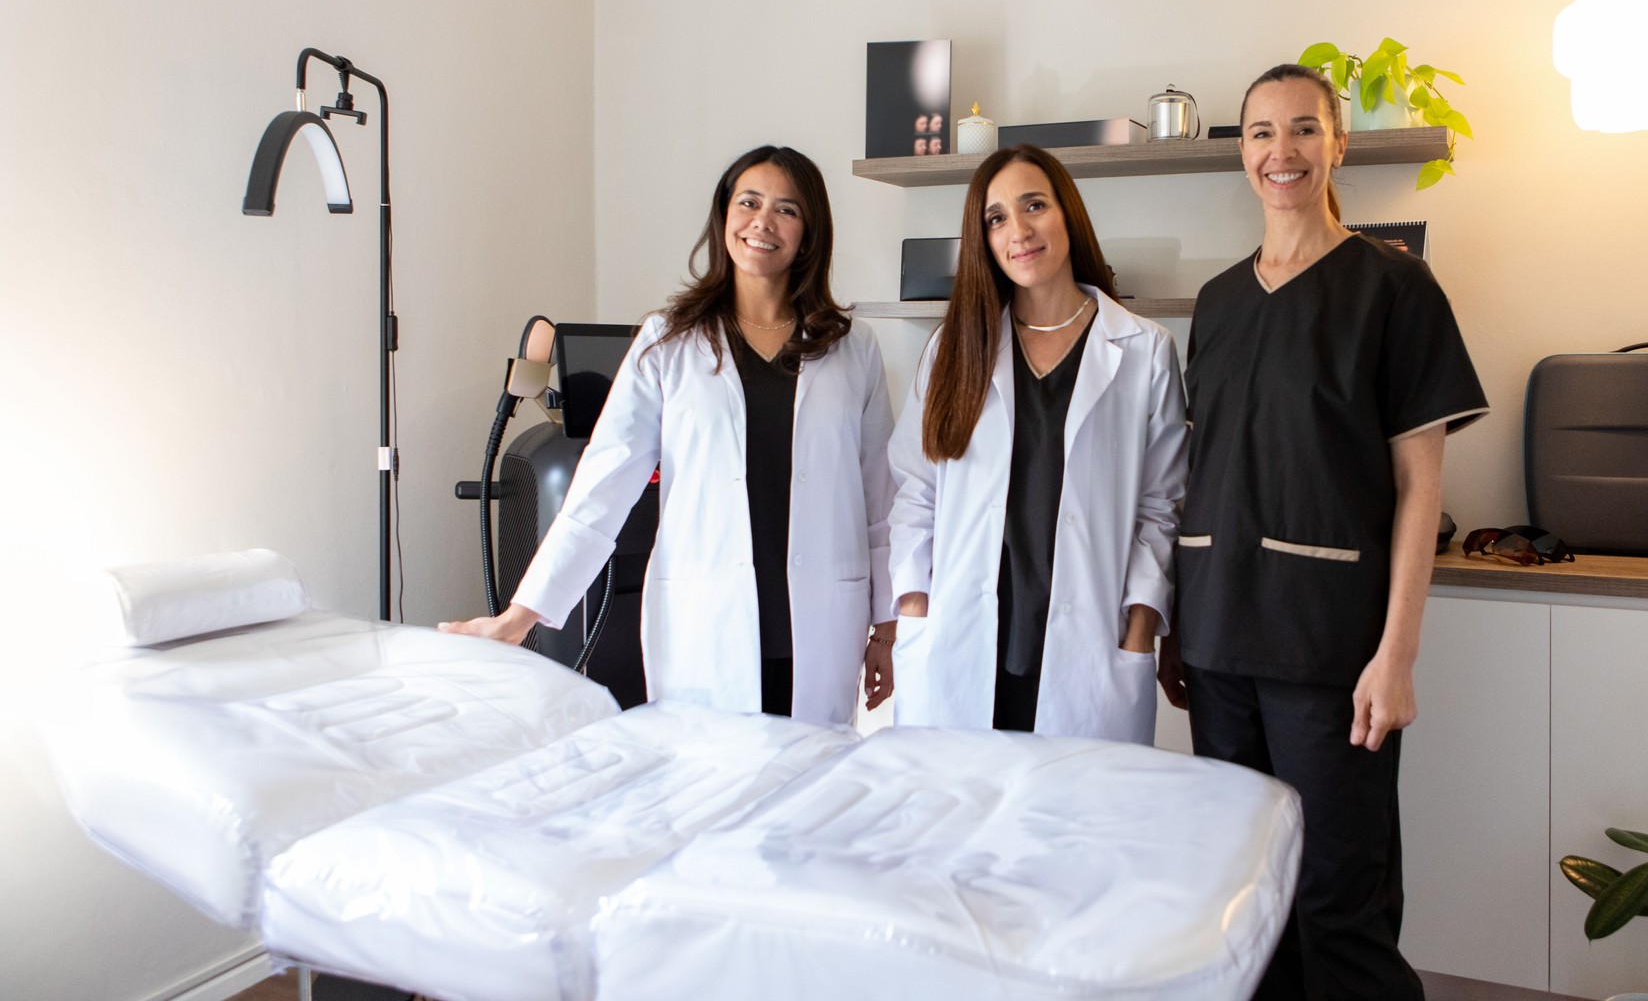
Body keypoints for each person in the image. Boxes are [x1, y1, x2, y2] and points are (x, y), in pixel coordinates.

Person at [1161, 65, 1488, 999]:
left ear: (1337, 144)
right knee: (1244, 904)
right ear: (1241, 152)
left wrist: (1398, 655)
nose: (1282, 152)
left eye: (1303, 130)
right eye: (1262, 133)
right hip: (1221, 645)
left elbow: (1420, 486)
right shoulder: (1219, 303)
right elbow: (1207, 470)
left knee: (1338, 903)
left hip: (1332, 655)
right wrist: (1183, 628)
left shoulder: (1394, 286)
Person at [441, 146, 897, 724]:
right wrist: (520, 617)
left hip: (818, 623)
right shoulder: (669, 343)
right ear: (724, 218)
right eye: (748, 203)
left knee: (806, 796)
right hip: (704, 623)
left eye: (786, 210)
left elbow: (878, 498)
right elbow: (600, 489)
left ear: (808, 234)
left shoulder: (852, 350)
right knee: (704, 791)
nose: (762, 222)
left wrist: (885, 625)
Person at [888, 145, 1186, 744]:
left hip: (1090, 644)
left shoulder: (1144, 351)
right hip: (962, 639)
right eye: (996, 218)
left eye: (1034, 206)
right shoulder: (955, 348)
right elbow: (915, 492)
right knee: (960, 823)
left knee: (1074, 828)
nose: (1018, 231)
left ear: (1067, 214)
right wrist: (915, 604)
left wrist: (1140, 624)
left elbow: (1163, 507)